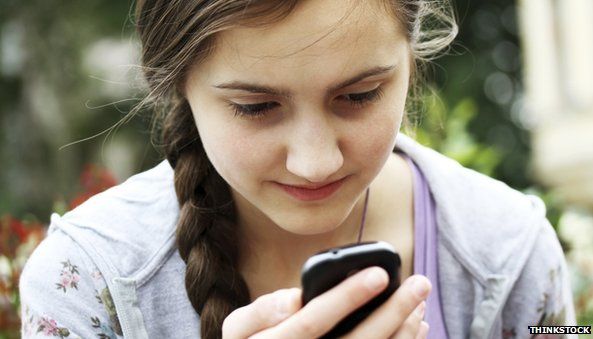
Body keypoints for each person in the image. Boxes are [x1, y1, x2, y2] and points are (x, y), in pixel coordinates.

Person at [19, 0, 576, 338]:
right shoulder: (88, 282)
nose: (316, 163)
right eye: (256, 107)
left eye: (359, 95)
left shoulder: (512, 252)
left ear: (412, 58)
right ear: (178, 86)